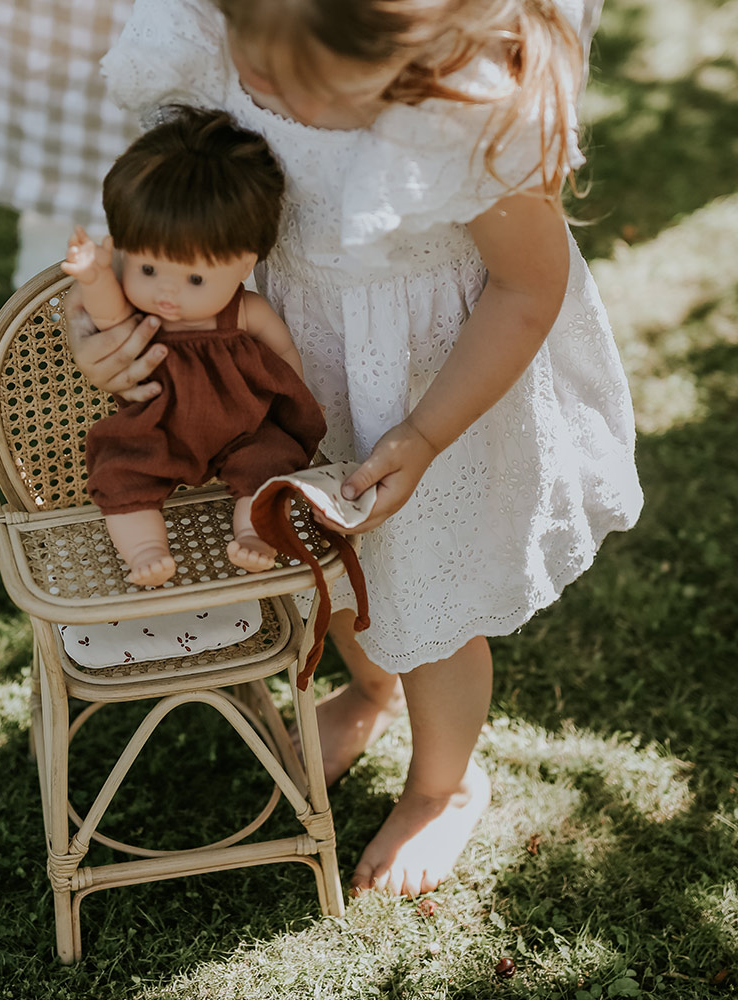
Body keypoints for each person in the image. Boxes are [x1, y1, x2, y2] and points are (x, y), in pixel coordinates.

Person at [67, 0, 643, 898]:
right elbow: (169, 218)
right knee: (325, 571)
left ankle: (444, 787)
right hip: (292, 372)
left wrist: (423, 432)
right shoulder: (230, 34)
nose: (252, 88)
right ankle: (369, 694)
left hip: (431, 384)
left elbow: (529, 287)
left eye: (281, 80)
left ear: (389, 58)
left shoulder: (461, 117)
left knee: (427, 590)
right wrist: (94, 320)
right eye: (248, 63)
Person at [62, 106, 326, 587]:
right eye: (147, 269)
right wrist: (94, 275)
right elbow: (103, 313)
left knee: (269, 463)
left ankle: (253, 532)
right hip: (156, 428)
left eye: (195, 277)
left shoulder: (244, 311)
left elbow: (285, 355)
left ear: (244, 264)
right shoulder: (140, 314)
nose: (167, 293)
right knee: (121, 471)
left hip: (244, 426)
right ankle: (145, 547)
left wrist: (293, 392)